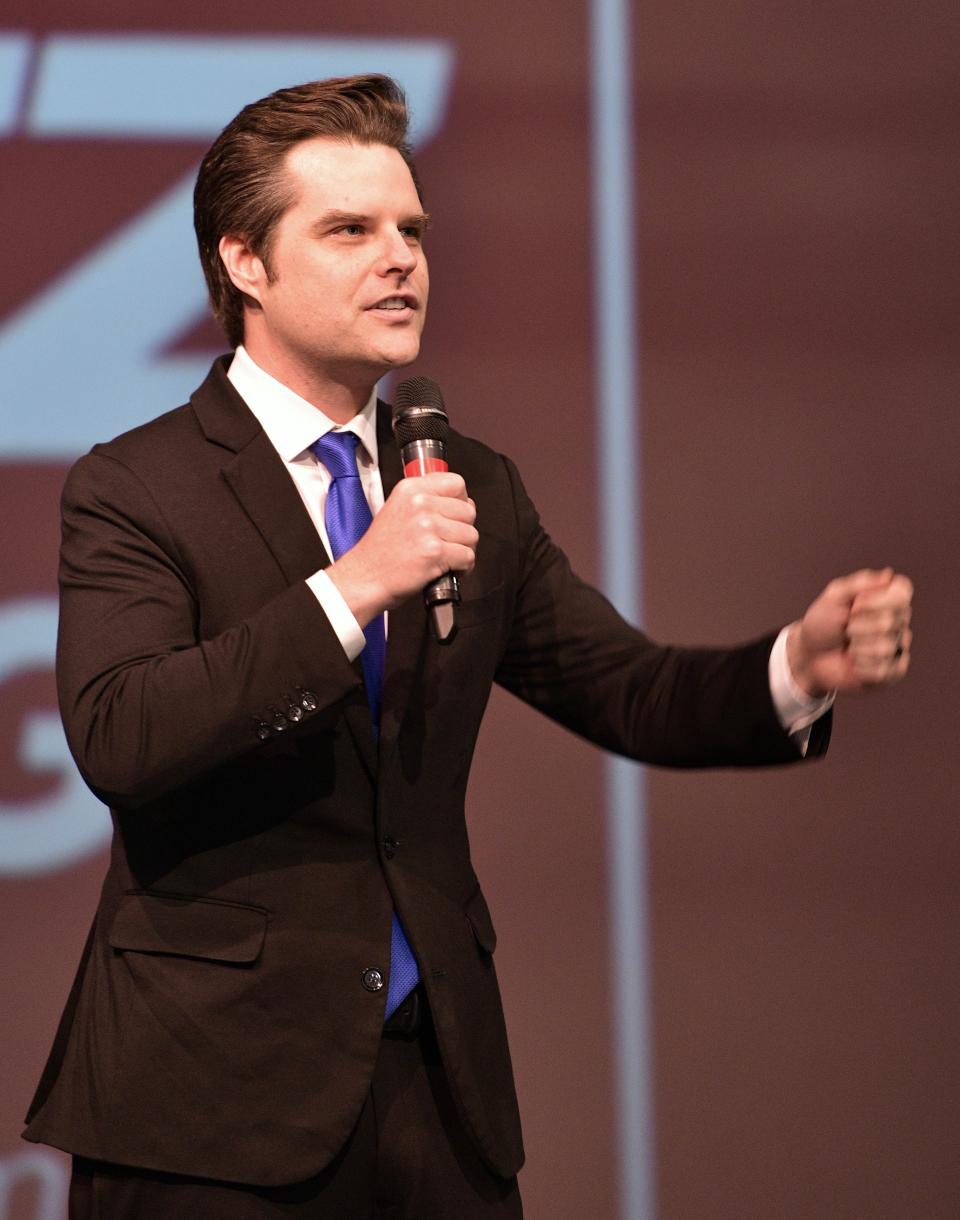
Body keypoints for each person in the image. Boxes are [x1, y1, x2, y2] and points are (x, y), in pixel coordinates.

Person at [23, 75, 912, 1219]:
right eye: (350, 230)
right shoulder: (138, 483)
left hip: (438, 1101)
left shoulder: (465, 480)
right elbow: (122, 733)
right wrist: (354, 587)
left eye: (411, 230)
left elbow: (628, 689)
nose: (400, 257)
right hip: (211, 1107)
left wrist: (797, 661)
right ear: (244, 261)